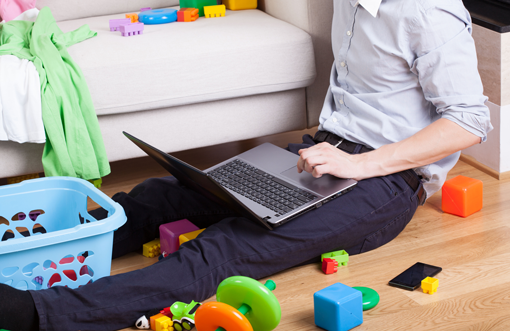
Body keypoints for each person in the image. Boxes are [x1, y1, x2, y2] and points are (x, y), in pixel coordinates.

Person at [0, 0, 492, 330]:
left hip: (384, 185)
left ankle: (40, 312)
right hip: (320, 156)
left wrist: (360, 167)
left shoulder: (429, 12)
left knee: (225, 248)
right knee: (161, 194)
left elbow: (470, 122)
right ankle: (16, 247)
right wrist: (331, 156)